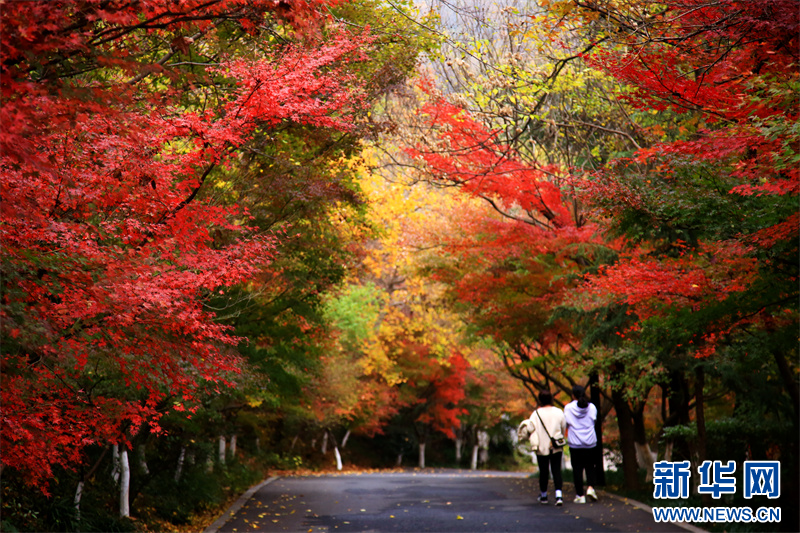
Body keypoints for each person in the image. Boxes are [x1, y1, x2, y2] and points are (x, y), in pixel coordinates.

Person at [528, 390, 567, 506]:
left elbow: (530, 428)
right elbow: (563, 427)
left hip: (542, 447)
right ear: (551, 398)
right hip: (556, 446)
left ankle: (544, 496)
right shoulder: (559, 412)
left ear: (540, 400)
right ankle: (558, 496)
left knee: (543, 471)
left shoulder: (536, 414)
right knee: (556, 471)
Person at [564, 385, 598, 503]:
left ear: (573, 395)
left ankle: (580, 495)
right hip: (590, 442)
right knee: (590, 467)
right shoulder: (592, 407)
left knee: (577, 469)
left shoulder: (568, 408)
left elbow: (566, 424)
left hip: (575, 443)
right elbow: (594, 421)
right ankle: (590, 488)